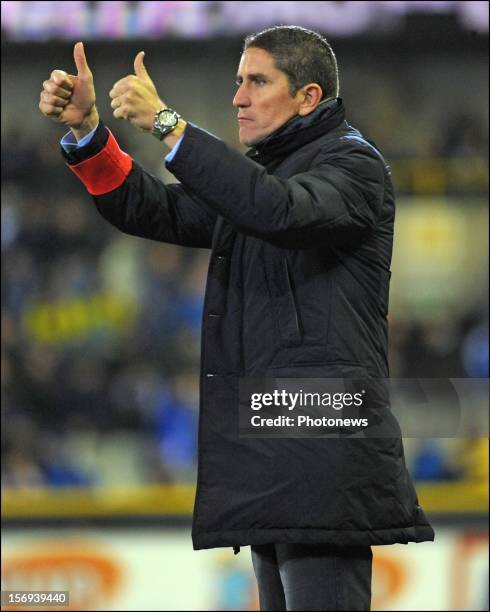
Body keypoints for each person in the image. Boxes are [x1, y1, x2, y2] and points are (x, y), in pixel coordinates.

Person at [39, 26, 434, 611]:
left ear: (308, 97)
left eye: (257, 81)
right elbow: (159, 211)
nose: (238, 97)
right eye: (237, 82)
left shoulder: (354, 165)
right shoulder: (262, 175)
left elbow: (280, 211)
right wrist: (87, 132)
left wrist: (169, 125)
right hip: (275, 441)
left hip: (321, 444)